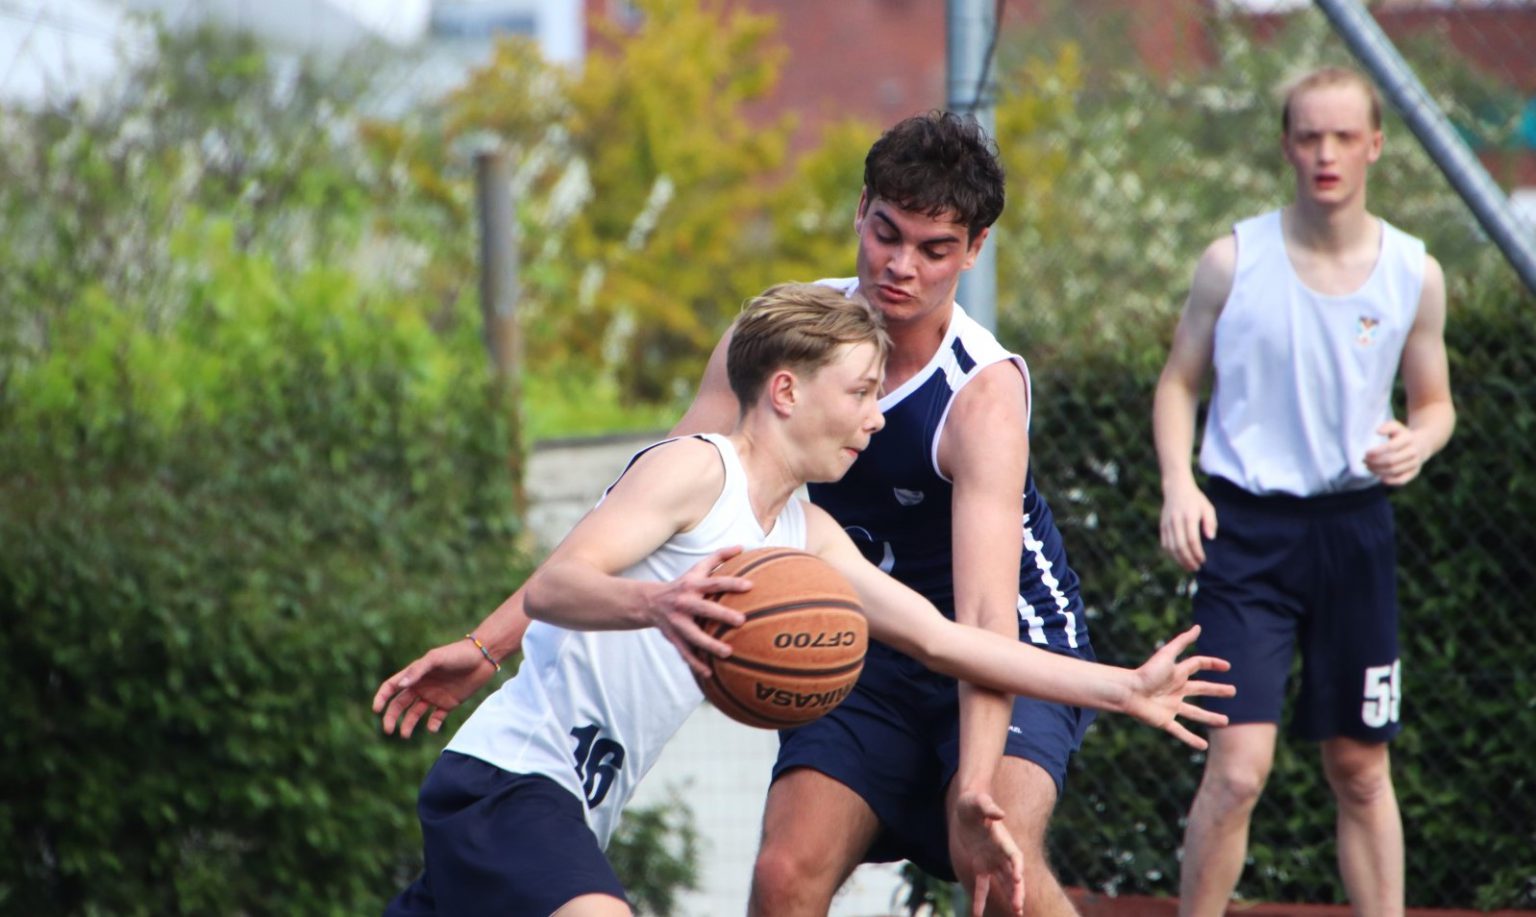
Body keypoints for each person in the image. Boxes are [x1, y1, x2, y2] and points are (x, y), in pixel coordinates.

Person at [376, 111, 1151, 915]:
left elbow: (968, 627)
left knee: (999, 867)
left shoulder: (928, 435)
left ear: (974, 251)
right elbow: (612, 526)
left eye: (934, 249)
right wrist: (489, 642)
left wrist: (1117, 694)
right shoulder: (757, 384)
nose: (901, 266)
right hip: (795, 651)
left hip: (998, 632)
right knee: (784, 874)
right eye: (887, 233)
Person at [1151, 67, 1454, 917]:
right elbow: (1177, 383)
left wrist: (1418, 441)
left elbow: (1435, 404)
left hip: (1355, 533)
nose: (1326, 153)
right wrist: (1180, 483)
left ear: (1375, 146)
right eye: (1310, 136)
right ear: (1287, 144)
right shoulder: (1231, 262)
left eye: (1344, 137)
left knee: (1360, 768)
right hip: (1246, 536)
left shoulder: (1412, 273)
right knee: (1238, 771)